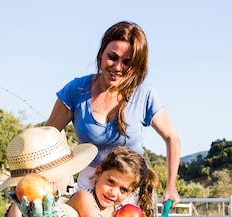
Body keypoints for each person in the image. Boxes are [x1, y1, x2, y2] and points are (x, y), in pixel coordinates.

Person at [45, 20, 181, 206]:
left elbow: (172, 138)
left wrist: (171, 186)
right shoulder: (76, 90)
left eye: (127, 62)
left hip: (129, 188)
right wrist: (55, 175)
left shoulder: (144, 95)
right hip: (89, 186)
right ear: (101, 53)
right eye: (112, 57)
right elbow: (47, 138)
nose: (117, 67)